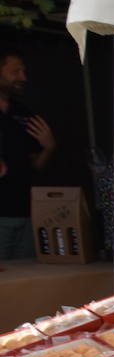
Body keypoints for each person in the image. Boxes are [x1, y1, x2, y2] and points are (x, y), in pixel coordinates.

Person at [0, 47, 56, 258]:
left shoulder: (23, 114)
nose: (23, 78)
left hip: (26, 213)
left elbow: (35, 166)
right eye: (15, 72)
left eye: (23, 72)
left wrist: (49, 148)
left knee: (27, 272)